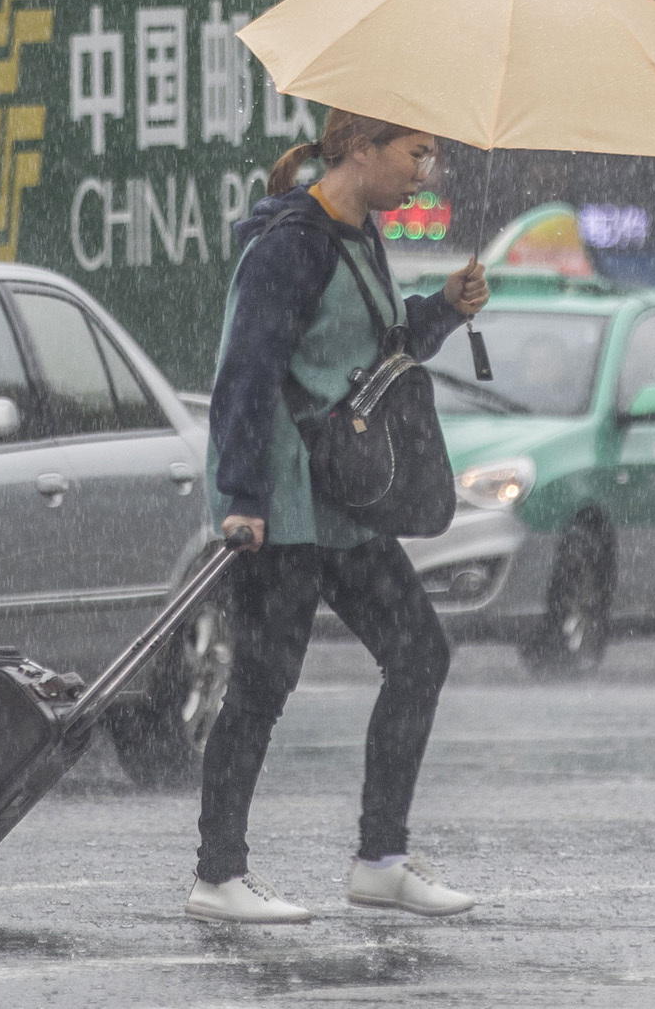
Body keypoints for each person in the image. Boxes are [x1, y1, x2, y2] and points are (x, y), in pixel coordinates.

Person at [186, 109, 490, 925]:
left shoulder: (361, 236)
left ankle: (380, 859)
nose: (424, 171)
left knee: (420, 652)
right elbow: (244, 374)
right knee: (262, 682)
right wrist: (243, 498)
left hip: (346, 507)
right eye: (415, 153)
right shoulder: (292, 241)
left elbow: (375, 354)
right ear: (361, 148)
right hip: (284, 507)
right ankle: (219, 874)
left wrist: (446, 311)